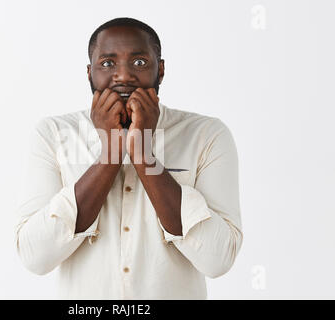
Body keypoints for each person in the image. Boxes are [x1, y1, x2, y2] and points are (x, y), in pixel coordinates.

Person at [14, 17, 243, 299]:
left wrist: (144, 154)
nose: (123, 76)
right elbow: (35, 257)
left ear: (160, 70)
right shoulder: (52, 134)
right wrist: (110, 154)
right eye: (108, 63)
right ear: (89, 73)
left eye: (139, 63)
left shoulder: (207, 135)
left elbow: (217, 260)